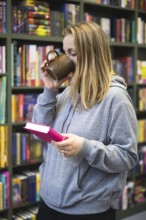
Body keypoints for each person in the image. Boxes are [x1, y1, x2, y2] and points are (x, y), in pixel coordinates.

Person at [32, 21, 138, 220]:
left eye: (73, 53)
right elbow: (41, 129)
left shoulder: (116, 99)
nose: (66, 60)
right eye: (65, 52)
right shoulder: (69, 92)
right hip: (49, 201)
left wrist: (86, 148)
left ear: (92, 54)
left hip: (87, 210)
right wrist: (50, 89)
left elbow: (128, 157)